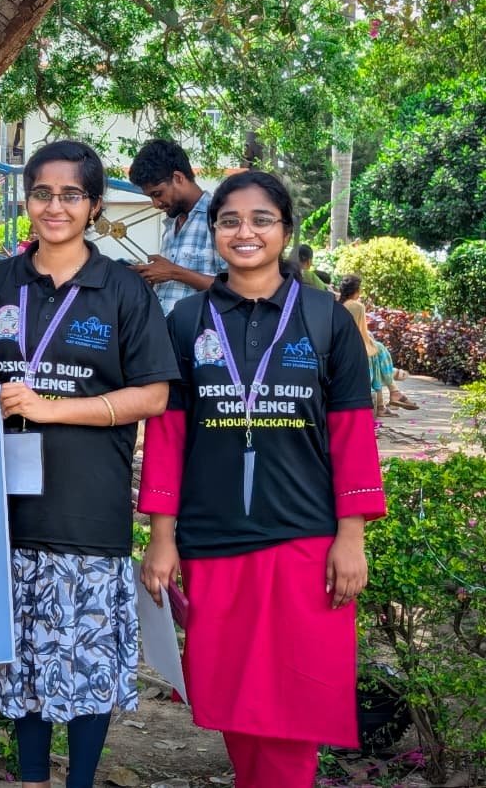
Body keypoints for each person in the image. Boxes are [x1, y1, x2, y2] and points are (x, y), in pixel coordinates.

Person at [138, 169, 386, 788]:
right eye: (230, 221)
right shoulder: (187, 320)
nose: (244, 232)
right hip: (213, 538)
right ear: (214, 231)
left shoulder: (325, 318)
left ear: (285, 230)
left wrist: (351, 535)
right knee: (234, 700)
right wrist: (162, 537)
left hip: (305, 539)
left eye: (261, 220)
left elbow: (351, 432)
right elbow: (168, 435)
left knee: (297, 703)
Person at [0, 140, 177, 788]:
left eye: (71, 194)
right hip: (9, 507)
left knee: (89, 667)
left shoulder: (121, 289)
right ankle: (32, 779)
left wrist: (50, 408)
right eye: (42, 193)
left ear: (95, 205)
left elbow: (153, 394)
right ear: (26, 200)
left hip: (89, 506)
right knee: (23, 664)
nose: (55, 207)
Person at [127, 138, 225, 315]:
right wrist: (150, 277)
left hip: (203, 331)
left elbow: (236, 289)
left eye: (158, 194)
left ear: (178, 178)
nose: (156, 204)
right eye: (151, 197)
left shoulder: (220, 217)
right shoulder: (172, 222)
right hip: (163, 328)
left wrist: (173, 272)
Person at [337, 274, 418, 415]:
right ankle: (393, 392)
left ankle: (383, 404)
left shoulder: (338, 305)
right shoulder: (357, 306)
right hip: (352, 347)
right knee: (377, 351)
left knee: (375, 351)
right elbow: (360, 332)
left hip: (341, 346)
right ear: (356, 290)